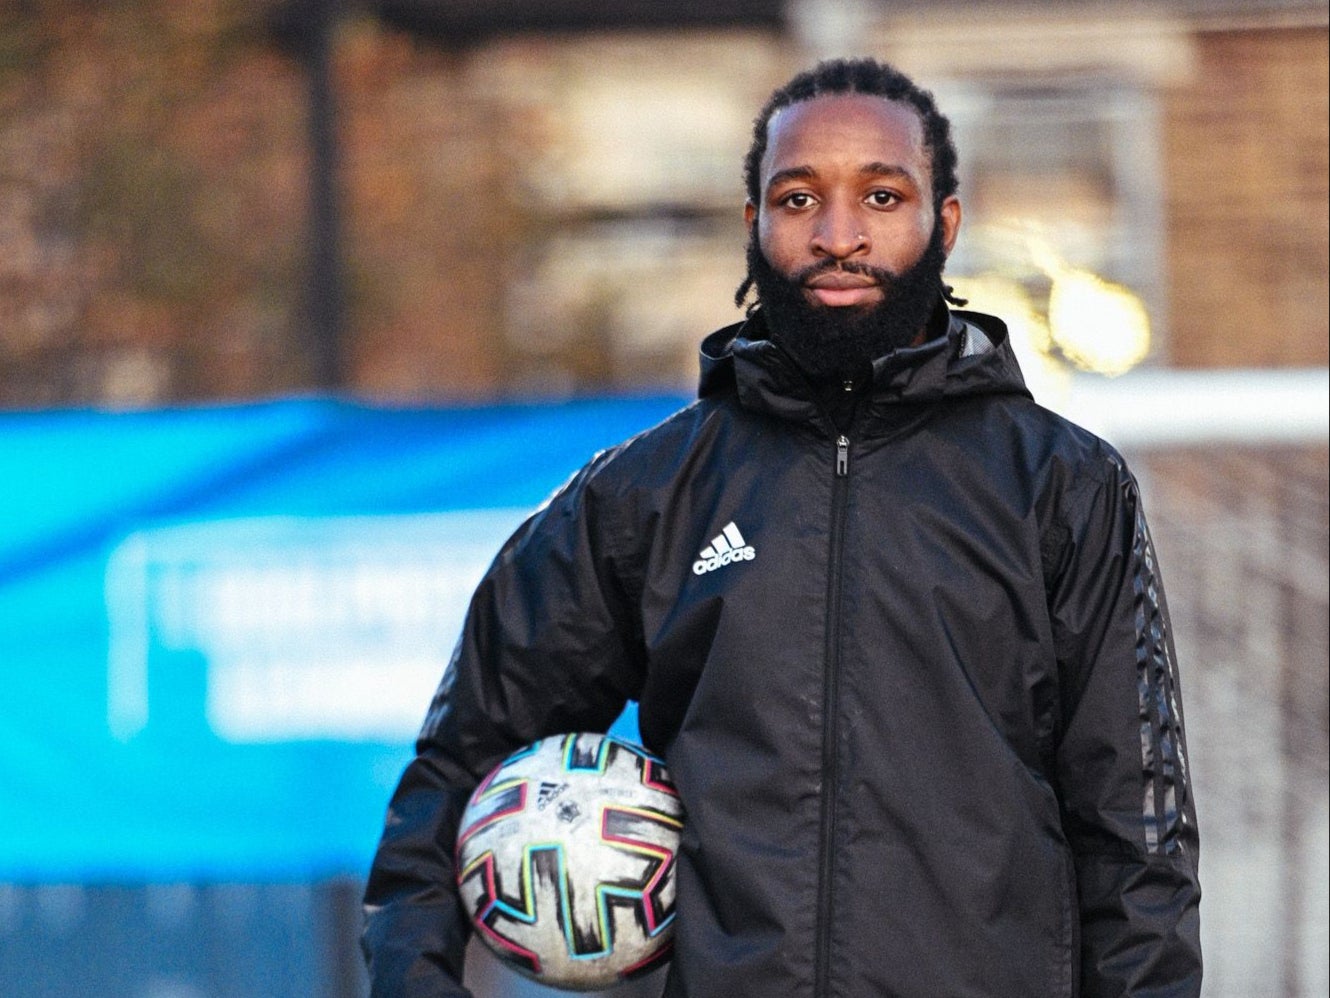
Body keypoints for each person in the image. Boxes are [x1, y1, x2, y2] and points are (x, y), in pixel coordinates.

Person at [362, 57, 1202, 997]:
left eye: (882, 197)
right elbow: (458, 763)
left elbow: (1139, 837)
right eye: (799, 199)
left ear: (944, 224)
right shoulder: (647, 494)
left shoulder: (1061, 485)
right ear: (754, 226)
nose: (839, 235)